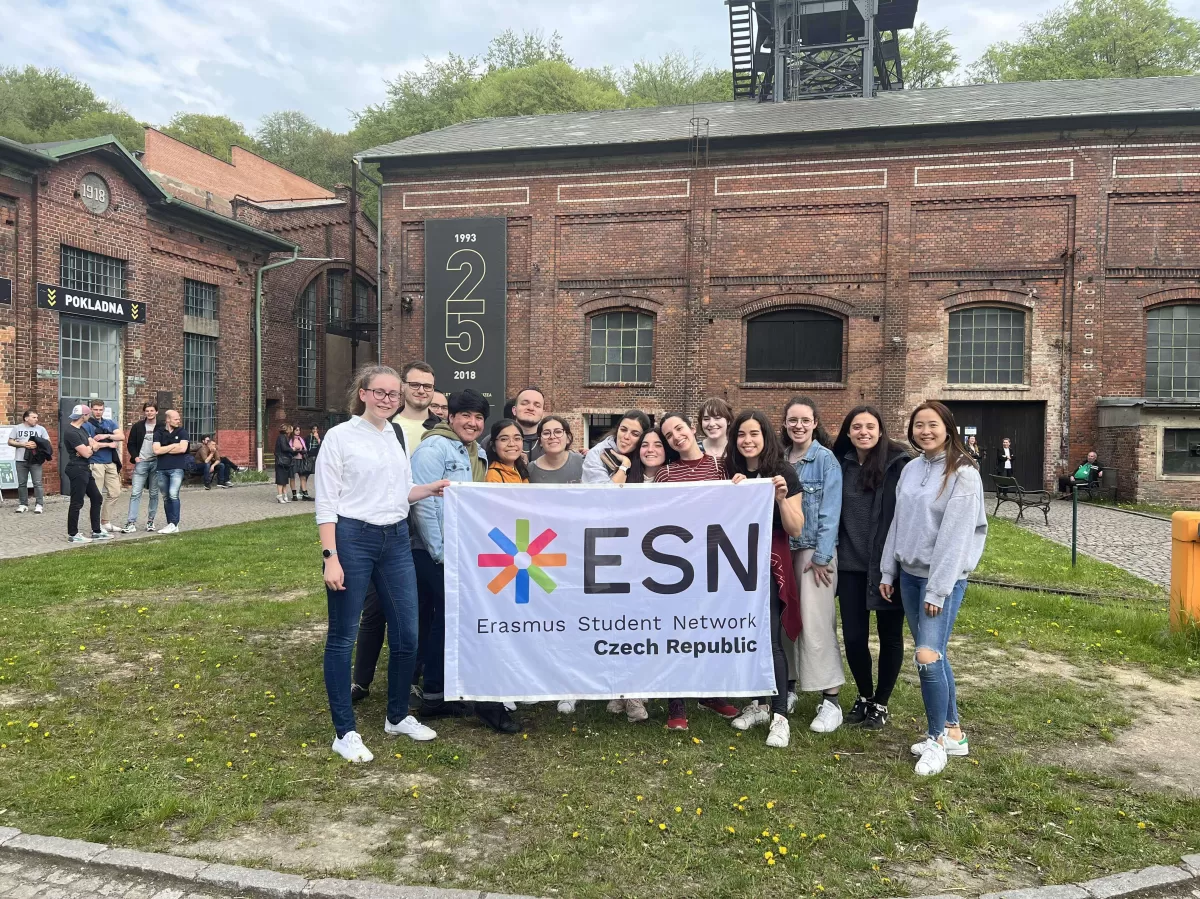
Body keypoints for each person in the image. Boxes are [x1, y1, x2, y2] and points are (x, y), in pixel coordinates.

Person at [316, 364, 449, 763]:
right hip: (352, 538)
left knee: (408, 634)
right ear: (363, 393)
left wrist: (431, 489)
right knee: (343, 636)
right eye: (380, 392)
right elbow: (326, 502)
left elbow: (399, 491)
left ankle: (397, 716)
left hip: (394, 539)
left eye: (394, 394)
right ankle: (345, 731)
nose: (387, 399)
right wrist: (330, 557)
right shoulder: (339, 437)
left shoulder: (393, 434)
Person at [880, 401, 987, 777]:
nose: (925, 431)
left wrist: (938, 590)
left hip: (941, 580)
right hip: (908, 575)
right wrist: (888, 571)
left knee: (926, 657)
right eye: (919, 425)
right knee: (935, 653)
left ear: (948, 428)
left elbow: (957, 538)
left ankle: (936, 740)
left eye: (933, 425)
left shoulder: (964, 475)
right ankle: (954, 732)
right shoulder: (910, 469)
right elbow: (899, 521)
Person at [410, 388, 519, 735]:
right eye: (465, 416)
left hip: (462, 551)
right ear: (450, 417)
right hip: (433, 552)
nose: (472, 423)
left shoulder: (476, 453)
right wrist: (442, 554)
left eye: (478, 418)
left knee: (446, 621)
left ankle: (436, 694)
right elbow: (424, 504)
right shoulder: (434, 448)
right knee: (461, 619)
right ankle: (458, 697)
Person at [653, 412, 742, 729]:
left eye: (679, 428)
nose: (676, 436)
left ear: (691, 429)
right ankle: (676, 706)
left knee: (712, 628)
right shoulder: (665, 475)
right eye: (669, 435)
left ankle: (711, 692)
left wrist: (742, 488)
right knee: (676, 632)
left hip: (713, 559)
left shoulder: (720, 466)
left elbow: (733, 507)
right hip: (678, 565)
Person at [724, 410, 805, 748]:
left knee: (770, 638)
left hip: (770, 565)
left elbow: (796, 527)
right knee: (743, 634)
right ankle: (757, 704)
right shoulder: (728, 470)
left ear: (766, 436)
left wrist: (781, 499)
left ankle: (780, 715)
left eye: (754, 434)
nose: (748, 440)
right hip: (733, 565)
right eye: (742, 434)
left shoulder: (783, 473)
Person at [831, 406, 911, 731]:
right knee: (853, 638)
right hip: (851, 566)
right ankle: (864, 696)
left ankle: (881, 703)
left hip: (888, 566)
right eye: (856, 427)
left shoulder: (899, 465)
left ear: (881, 430)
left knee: (890, 636)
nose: (863, 432)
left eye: (870, 426)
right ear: (848, 432)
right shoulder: (840, 465)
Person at [781, 395, 844, 733]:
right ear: (785, 423)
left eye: (805, 420)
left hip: (813, 554)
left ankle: (830, 700)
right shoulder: (780, 459)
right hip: (783, 550)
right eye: (793, 420)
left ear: (815, 423)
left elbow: (831, 511)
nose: (799, 425)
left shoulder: (825, 460)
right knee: (786, 622)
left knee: (817, 625)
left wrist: (822, 557)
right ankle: (789, 686)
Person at [63, 404, 110, 544]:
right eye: (88, 414)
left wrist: (89, 447)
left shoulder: (82, 429)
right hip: (77, 468)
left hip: (85, 467)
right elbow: (87, 452)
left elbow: (93, 444)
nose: (89, 416)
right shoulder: (71, 432)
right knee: (77, 502)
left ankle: (96, 531)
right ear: (83, 416)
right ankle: (73, 534)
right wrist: (89, 448)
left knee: (96, 497)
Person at [83, 399, 124, 533]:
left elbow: (121, 436)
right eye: (95, 409)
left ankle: (105, 522)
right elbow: (91, 445)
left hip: (110, 462)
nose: (98, 412)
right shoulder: (87, 424)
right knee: (97, 496)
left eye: (100, 409)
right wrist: (109, 444)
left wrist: (105, 436)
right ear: (91, 409)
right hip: (96, 463)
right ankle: (95, 526)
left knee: (115, 492)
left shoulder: (109, 422)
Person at [120, 403, 160, 533]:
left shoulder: (161, 427)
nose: (149, 413)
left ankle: (150, 521)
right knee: (136, 493)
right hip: (142, 462)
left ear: (156, 412)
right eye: (147, 411)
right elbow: (130, 443)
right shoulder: (138, 426)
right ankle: (131, 522)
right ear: (144, 412)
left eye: (152, 410)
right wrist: (136, 457)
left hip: (156, 462)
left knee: (154, 493)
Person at [582, 411, 650, 485]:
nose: (626, 437)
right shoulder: (595, 454)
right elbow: (604, 493)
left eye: (635, 434)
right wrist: (625, 465)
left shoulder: (645, 455)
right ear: (617, 430)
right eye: (623, 430)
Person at [153, 409, 190, 535]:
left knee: (173, 494)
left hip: (177, 468)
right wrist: (172, 446)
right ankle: (170, 524)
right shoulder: (159, 432)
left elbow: (182, 449)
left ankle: (174, 523)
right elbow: (156, 451)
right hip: (161, 468)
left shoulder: (182, 432)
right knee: (165, 497)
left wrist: (165, 449)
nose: (178, 421)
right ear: (168, 419)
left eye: (179, 419)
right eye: (175, 419)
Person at [391, 361, 440, 449]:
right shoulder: (385, 424)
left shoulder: (443, 428)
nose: (421, 391)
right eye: (415, 385)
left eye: (427, 386)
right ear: (402, 387)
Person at [9, 409, 49, 514]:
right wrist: (23, 444)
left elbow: (47, 442)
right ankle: (23, 504)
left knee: (37, 483)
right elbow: (10, 441)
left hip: (35, 460)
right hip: (20, 459)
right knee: (22, 483)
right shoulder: (17, 428)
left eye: (37, 417)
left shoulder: (41, 429)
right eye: (34, 417)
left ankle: (39, 505)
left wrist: (37, 445)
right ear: (26, 418)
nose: (36, 419)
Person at [527, 415, 585, 484]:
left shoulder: (583, 463)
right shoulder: (531, 470)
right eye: (546, 433)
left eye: (558, 432)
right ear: (540, 441)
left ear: (568, 438)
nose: (552, 437)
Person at [510, 387, 546, 461]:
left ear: (543, 413)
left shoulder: (550, 443)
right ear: (514, 410)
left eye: (537, 405)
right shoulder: (495, 440)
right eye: (524, 403)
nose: (531, 408)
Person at [274, 424, 295, 503]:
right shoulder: (282, 437)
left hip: (284, 461)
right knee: (280, 480)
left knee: (284, 480)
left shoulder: (284, 437)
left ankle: (285, 496)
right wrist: (291, 449)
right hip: (281, 461)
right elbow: (284, 448)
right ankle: (280, 496)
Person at [290, 426, 311, 501]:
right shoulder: (291, 439)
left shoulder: (300, 439)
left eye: (299, 430)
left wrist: (303, 451)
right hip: (293, 460)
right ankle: (294, 494)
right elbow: (289, 448)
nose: (298, 431)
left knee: (303, 476)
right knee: (292, 477)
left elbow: (305, 448)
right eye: (297, 430)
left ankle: (305, 493)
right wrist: (294, 450)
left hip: (301, 459)